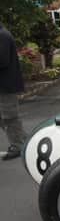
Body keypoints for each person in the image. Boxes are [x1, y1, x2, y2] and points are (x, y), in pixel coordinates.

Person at [0, 23, 27, 160]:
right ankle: (22, 139)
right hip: (4, 84)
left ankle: (18, 145)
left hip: (6, 84)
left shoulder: (2, 35)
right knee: (3, 117)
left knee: (10, 116)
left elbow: (2, 60)